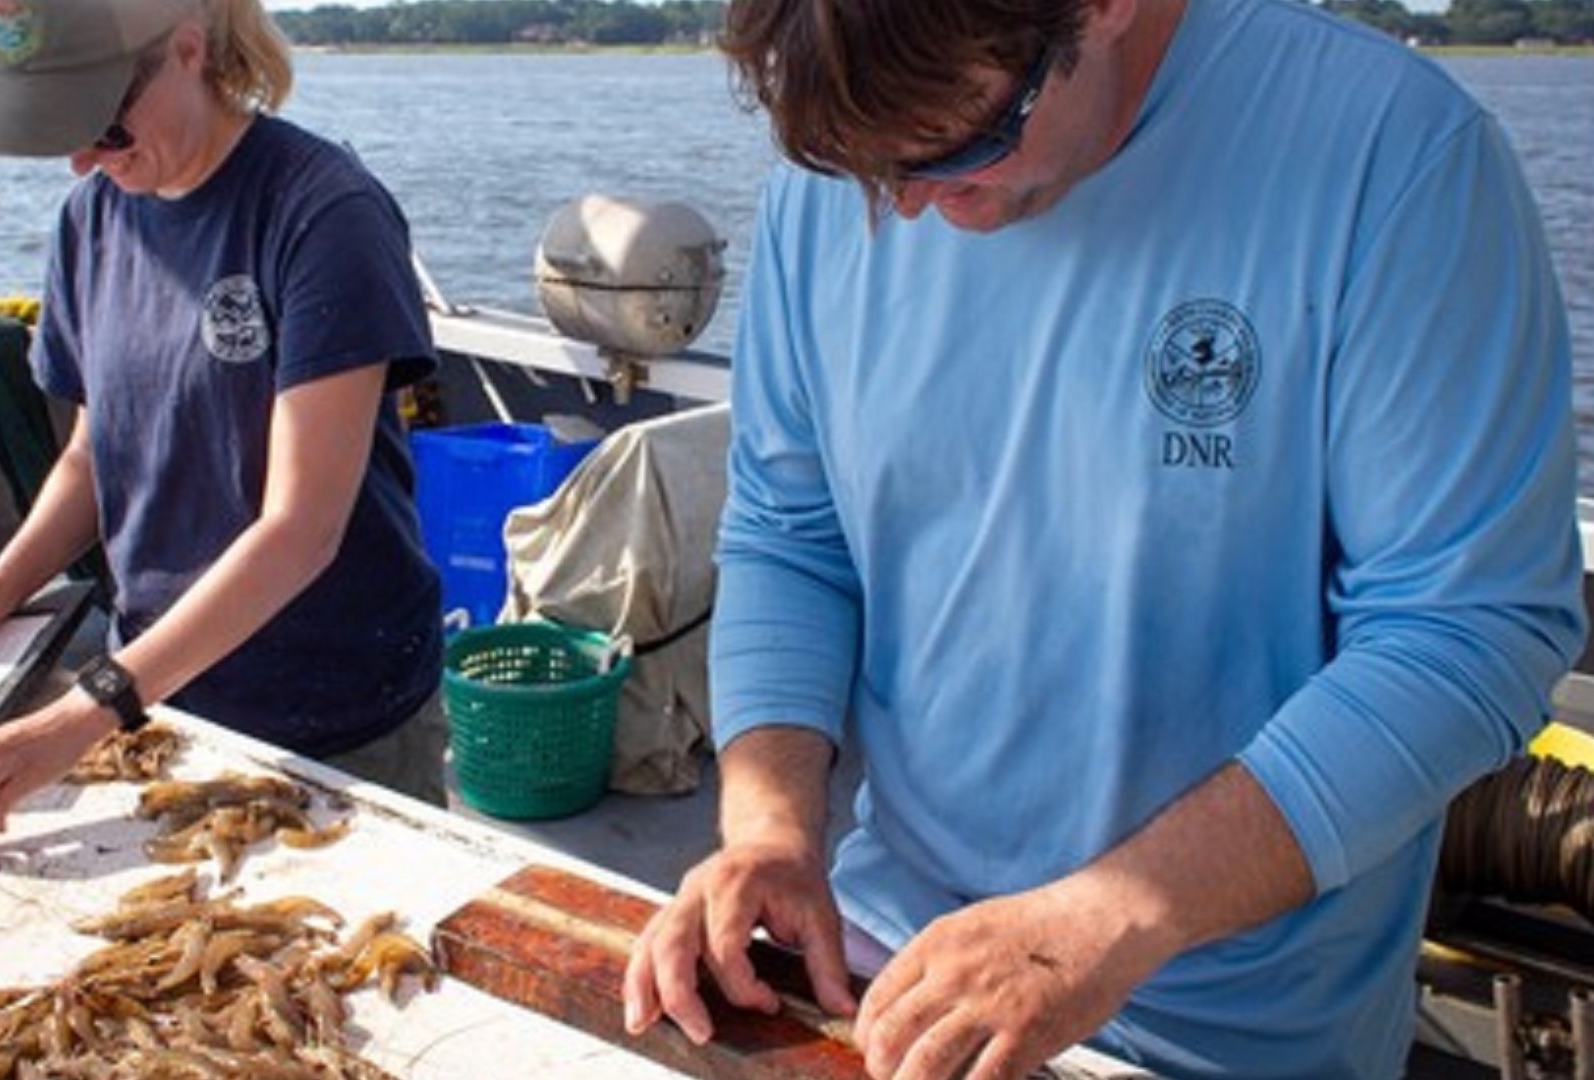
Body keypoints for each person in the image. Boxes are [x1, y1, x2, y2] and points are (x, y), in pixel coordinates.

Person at [620, 0, 1586, 1077]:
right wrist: (768, 828)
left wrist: (1109, 917)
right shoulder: (855, 157)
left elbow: (1466, 630)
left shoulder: (1393, 159)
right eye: (866, 174)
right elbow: (792, 533)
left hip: (1234, 1030)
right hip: (889, 969)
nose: (920, 211)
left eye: (965, 146)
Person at [0, 0, 448, 838]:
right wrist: (7, 583)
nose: (83, 160)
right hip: (164, 702)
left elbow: (302, 528)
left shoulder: (323, 213)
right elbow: (92, 450)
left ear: (188, 52)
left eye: (105, 128)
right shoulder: (91, 220)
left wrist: (87, 709)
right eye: (62, 135)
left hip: (339, 716)